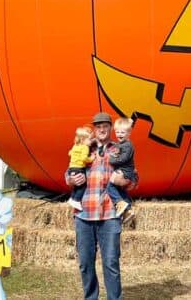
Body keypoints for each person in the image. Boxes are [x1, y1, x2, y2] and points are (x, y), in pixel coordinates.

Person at [65, 112, 133, 300]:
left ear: (110, 128)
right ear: (94, 129)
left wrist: (124, 180)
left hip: (109, 215)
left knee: (111, 262)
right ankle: (91, 297)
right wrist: (71, 179)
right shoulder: (85, 147)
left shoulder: (120, 149)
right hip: (83, 215)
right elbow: (68, 172)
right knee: (85, 263)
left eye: (105, 126)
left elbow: (134, 177)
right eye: (98, 126)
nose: (102, 129)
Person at [106, 117, 137, 223]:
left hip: (125, 173)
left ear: (129, 133)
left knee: (109, 186)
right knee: (120, 190)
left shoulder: (128, 145)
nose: (119, 134)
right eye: (117, 132)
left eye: (122, 132)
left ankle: (119, 203)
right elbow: (116, 149)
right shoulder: (121, 144)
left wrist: (111, 159)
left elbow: (123, 159)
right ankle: (128, 210)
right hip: (124, 172)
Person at [66, 126, 94, 210]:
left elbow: (69, 153)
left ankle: (72, 198)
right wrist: (91, 158)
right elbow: (84, 158)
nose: (91, 141)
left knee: (77, 186)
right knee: (82, 185)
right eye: (90, 139)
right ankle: (77, 200)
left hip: (72, 168)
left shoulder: (75, 146)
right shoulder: (85, 147)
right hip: (79, 168)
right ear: (83, 139)